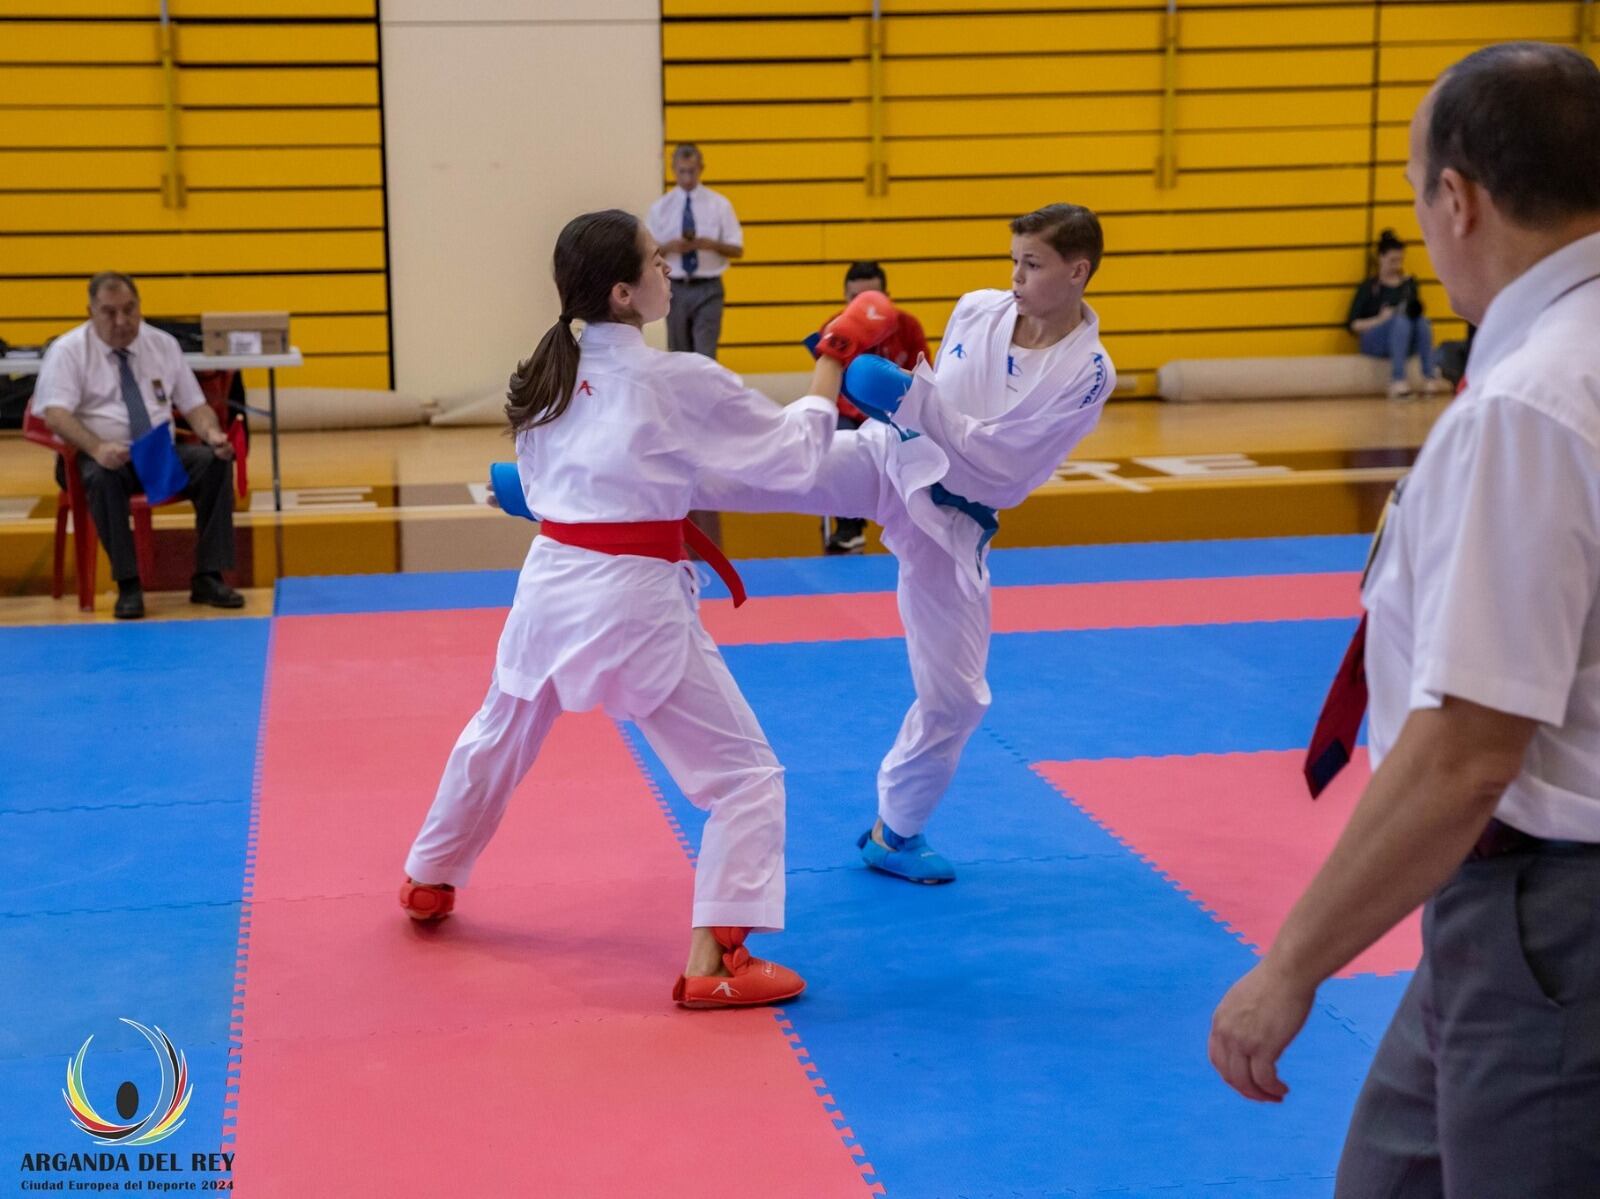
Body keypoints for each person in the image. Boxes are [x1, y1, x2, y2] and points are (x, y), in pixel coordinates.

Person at [1208, 43, 1600, 1196]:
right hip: (1509, 907)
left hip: (1546, 913)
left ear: (1455, 197)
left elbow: (1469, 750)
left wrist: (1292, 962)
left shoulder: (1532, 403)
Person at [399, 209, 893, 1009]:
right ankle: (717, 961)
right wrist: (833, 361)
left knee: (498, 732)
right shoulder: (675, 380)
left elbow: (596, 478)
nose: (670, 268)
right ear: (626, 294)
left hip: (549, 587)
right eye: (656, 261)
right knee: (745, 777)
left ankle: (429, 875)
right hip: (632, 602)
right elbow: (798, 461)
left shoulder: (541, 374)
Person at [696, 203, 1115, 884]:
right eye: (1013, 259)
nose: (1015, 277)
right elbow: (938, 390)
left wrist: (906, 395)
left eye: (1032, 265)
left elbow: (1000, 460)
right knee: (773, 461)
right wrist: (888, 375)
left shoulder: (1089, 371)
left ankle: (896, 832)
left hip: (953, 519)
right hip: (891, 457)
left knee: (955, 699)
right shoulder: (979, 308)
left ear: (1078, 272)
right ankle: (588, 486)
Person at [31, 272, 244, 619]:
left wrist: (212, 434)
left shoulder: (162, 344)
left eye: (130, 310)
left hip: (157, 453)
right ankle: (128, 584)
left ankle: (209, 575)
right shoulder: (68, 351)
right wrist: (98, 447)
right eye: (110, 312)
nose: (122, 321)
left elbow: (194, 405)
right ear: (91, 312)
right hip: (96, 455)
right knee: (102, 476)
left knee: (215, 462)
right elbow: (55, 414)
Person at [821, 261, 932, 554]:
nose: (865, 308)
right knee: (835, 444)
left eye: (872, 299)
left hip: (895, 414)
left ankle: (921, 521)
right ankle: (848, 530)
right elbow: (828, 383)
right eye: (855, 300)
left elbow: (924, 377)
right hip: (848, 413)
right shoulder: (834, 329)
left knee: (922, 442)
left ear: (887, 296)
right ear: (845, 298)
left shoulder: (908, 326)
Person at [645, 143, 742, 360]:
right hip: (675, 287)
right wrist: (670, 248)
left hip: (708, 287)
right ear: (673, 169)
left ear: (701, 169)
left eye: (692, 171)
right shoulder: (661, 208)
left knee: (705, 354)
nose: (687, 178)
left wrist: (711, 245)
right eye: (682, 171)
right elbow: (646, 254)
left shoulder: (719, 205)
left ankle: (705, 394)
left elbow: (737, 249)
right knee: (679, 354)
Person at [1348, 229, 1448, 399]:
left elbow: (1415, 315)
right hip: (1375, 340)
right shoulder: (1369, 287)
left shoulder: (1408, 284)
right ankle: (1398, 380)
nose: (1397, 265)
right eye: (1392, 261)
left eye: (1400, 260)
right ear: (1380, 258)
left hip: (1405, 338)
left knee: (1422, 321)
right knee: (1400, 321)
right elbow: (1353, 324)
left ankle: (1428, 376)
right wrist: (1380, 319)